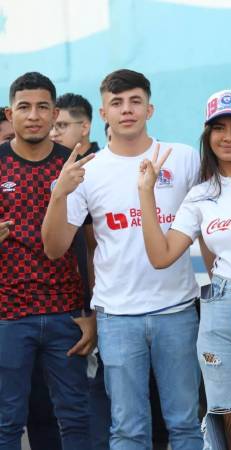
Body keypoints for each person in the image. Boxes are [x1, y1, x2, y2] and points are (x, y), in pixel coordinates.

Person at [42, 69, 203, 450]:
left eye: (134, 101)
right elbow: (55, 247)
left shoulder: (183, 158)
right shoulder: (87, 172)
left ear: (150, 109)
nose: (126, 110)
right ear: (103, 113)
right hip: (117, 318)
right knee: (128, 430)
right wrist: (58, 194)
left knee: (184, 424)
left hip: (177, 311)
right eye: (116, 103)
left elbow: (210, 225)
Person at [137, 90, 231, 450]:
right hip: (220, 311)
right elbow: (161, 255)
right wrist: (146, 193)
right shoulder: (200, 194)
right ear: (207, 136)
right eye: (218, 128)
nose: (228, 136)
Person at [0, 72, 94, 450]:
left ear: (55, 113)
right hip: (7, 313)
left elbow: (91, 244)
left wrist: (91, 311)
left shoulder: (74, 167)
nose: (34, 115)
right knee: (7, 420)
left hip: (66, 313)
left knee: (74, 417)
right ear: (11, 113)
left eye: (42, 107)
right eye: (24, 107)